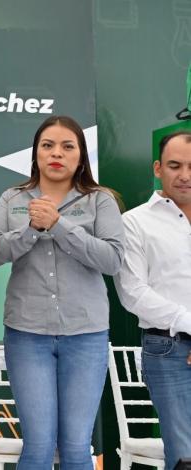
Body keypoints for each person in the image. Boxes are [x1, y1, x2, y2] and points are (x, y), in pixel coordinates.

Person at [0, 115, 124, 469]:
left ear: (81, 156)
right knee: (38, 445)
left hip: (86, 334)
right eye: (47, 146)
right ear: (36, 154)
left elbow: (112, 260)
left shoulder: (100, 201)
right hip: (27, 334)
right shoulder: (13, 198)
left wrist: (59, 225)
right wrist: (31, 230)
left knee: (77, 447)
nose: (56, 154)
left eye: (67, 146)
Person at [114, 129, 191, 470]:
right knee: (185, 455)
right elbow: (133, 292)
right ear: (158, 168)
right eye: (175, 165)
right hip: (169, 350)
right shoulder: (134, 222)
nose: (185, 175)